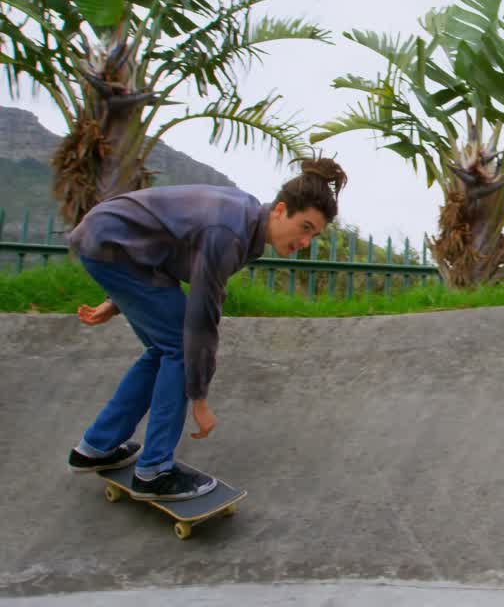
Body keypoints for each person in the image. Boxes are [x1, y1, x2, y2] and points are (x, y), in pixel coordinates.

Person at [64, 158, 347, 500]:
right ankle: (153, 472)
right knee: (179, 348)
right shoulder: (229, 232)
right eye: (305, 227)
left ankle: (95, 447)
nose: (306, 242)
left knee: (163, 348)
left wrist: (119, 299)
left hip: (117, 246)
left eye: (314, 235)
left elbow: (163, 242)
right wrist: (199, 397)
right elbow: (201, 316)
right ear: (280, 210)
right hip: (112, 246)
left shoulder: (246, 221)